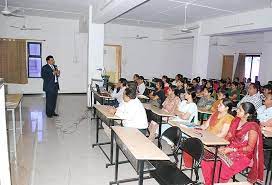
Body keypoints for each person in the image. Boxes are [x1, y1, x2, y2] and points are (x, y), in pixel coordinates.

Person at [201, 102, 264, 184]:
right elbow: (229, 136)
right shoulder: (236, 120)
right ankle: (210, 183)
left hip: (242, 154)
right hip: (229, 148)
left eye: (240, 110)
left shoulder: (253, 127)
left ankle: (218, 182)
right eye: (238, 108)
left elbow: (249, 148)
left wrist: (232, 149)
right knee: (206, 160)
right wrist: (223, 145)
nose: (237, 111)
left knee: (220, 167)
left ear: (247, 114)